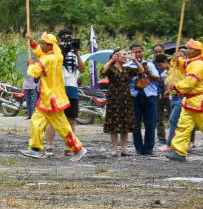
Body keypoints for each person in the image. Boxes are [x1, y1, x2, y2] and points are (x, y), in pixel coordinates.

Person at [20, 33, 86, 161]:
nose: (40, 45)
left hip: (51, 99)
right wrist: (32, 42)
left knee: (62, 126)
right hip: (49, 98)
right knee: (36, 121)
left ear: (49, 46)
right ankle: (35, 148)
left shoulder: (47, 60)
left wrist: (30, 65)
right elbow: (40, 53)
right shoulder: (57, 54)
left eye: (42, 43)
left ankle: (77, 149)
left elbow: (34, 72)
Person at [44, 28, 84, 155]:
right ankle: (49, 146)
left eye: (70, 39)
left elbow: (82, 69)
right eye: (65, 39)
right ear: (59, 40)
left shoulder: (74, 54)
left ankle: (69, 145)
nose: (68, 41)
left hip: (71, 89)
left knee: (71, 119)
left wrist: (76, 52)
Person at [101, 49, 138, 156]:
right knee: (113, 124)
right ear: (117, 56)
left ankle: (124, 148)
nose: (125, 57)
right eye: (123, 55)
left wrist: (134, 60)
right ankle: (114, 148)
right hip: (114, 98)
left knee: (125, 124)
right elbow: (103, 71)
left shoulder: (127, 69)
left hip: (126, 98)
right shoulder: (111, 69)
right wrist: (112, 60)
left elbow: (140, 71)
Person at [128, 44, 160, 155]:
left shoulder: (150, 64)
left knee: (150, 123)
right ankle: (138, 148)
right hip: (134, 96)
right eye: (135, 52)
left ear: (143, 52)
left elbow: (157, 78)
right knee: (135, 123)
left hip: (149, 95)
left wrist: (148, 72)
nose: (137, 54)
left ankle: (149, 148)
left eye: (139, 52)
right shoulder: (127, 65)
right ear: (131, 53)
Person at [151, 45, 171, 145]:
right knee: (159, 118)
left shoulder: (171, 64)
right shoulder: (151, 65)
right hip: (157, 93)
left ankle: (174, 138)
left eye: (160, 51)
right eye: (156, 52)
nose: (158, 53)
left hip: (170, 93)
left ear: (164, 51)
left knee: (173, 116)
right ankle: (161, 138)